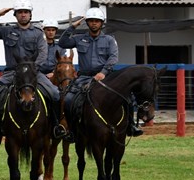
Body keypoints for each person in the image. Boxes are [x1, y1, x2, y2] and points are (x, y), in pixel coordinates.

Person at [0, 0, 66, 144]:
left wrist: (33, 69)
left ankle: (55, 126)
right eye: (20, 12)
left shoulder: (38, 33)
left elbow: (43, 53)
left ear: (30, 15)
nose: (23, 15)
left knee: (55, 94)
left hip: (33, 73)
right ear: (15, 15)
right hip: (11, 73)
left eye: (26, 12)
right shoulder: (7, 30)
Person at [58, 7, 142, 137]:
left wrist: (103, 72)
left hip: (106, 76)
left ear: (101, 23)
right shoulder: (79, 38)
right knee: (68, 100)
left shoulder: (109, 40)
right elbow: (63, 43)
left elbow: (113, 58)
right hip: (84, 77)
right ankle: (72, 131)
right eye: (91, 21)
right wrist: (72, 27)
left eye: (97, 21)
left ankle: (131, 126)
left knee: (127, 98)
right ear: (88, 23)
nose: (94, 23)